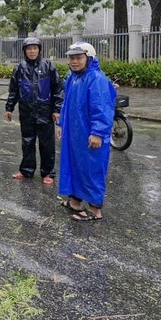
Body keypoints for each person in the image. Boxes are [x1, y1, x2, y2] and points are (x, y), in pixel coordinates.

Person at [57, 42, 116, 222]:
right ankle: (75, 201)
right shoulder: (72, 78)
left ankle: (94, 209)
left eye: (78, 58)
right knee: (74, 165)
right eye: (71, 58)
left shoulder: (96, 79)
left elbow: (102, 108)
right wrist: (61, 124)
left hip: (91, 134)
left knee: (92, 168)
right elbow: (66, 104)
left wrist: (98, 132)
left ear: (89, 58)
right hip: (74, 133)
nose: (74, 62)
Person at [5, 37, 64, 184]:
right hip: (26, 112)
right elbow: (13, 90)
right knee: (27, 142)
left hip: (45, 111)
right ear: (24, 51)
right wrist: (9, 107)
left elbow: (58, 89)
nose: (32, 51)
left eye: (35, 48)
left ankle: (48, 173)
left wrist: (57, 109)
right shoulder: (19, 68)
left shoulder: (48, 67)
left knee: (47, 144)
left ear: (39, 50)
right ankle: (26, 170)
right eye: (29, 49)